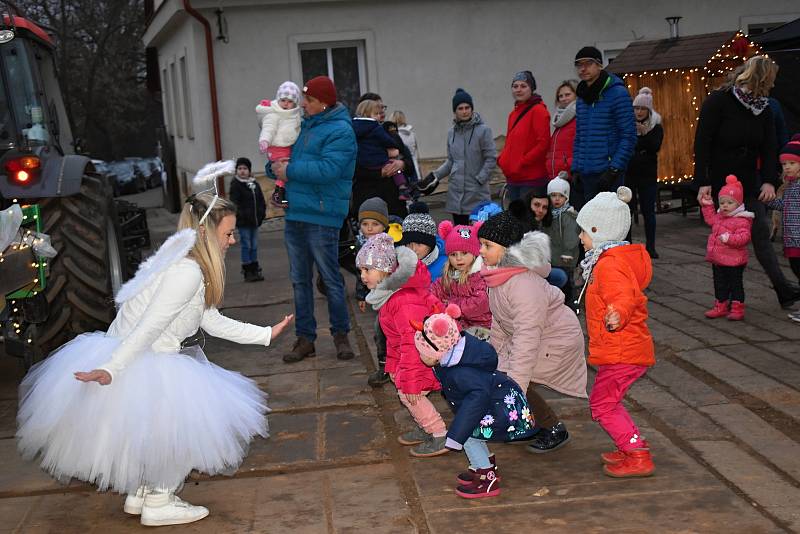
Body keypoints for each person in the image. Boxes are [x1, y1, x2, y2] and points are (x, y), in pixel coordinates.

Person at [16, 190, 294, 527]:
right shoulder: (186, 272)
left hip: (134, 355)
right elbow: (149, 328)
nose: (233, 241)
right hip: (143, 360)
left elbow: (209, 319)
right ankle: (161, 500)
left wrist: (265, 334)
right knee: (186, 426)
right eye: (228, 233)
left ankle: (143, 491)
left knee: (156, 430)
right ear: (205, 233)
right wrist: (111, 369)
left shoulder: (181, 264)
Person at [694, 55, 800, 310]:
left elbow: (769, 144)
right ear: (758, 78)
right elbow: (702, 142)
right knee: (725, 239)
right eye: (768, 81)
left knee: (760, 233)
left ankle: (783, 290)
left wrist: (768, 181)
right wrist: (703, 181)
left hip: (750, 181)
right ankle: (726, 297)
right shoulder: (719, 101)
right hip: (722, 182)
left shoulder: (764, 107)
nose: (772, 86)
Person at [477, 212, 588, 453]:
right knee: (504, 376)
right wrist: (493, 359)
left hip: (556, 340)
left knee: (517, 380)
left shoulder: (522, 284)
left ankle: (553, 428)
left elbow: (528, 335)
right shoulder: (497, 276)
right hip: (535, 337)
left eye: (487, 246)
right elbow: (499, 321)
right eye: (481, 245)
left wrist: (514, 381)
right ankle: (530, 424)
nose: (481, 251)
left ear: (507, 250)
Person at [270, 76, 357, 363]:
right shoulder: (302, 125)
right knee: (299, 281)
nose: (303, 103)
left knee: (331, 280)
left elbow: (329, 169)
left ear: (323, 102)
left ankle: (341, 335)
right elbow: (281, 156)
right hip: (296, 214)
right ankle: (305, 339)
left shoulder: (341, 131)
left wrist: (290, 170)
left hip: (322, 216)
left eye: (309, 100)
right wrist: (275, 166)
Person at [414, 304, 537, 499]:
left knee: (468, 434)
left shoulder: (461, 372)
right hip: (496, 402)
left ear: (438, 352)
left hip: (503, 408)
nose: (420, 355)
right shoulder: (454, 356)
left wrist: (456, 434)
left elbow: (476, 401)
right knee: (472, 432)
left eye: (423, 351)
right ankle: (483, 465)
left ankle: (487, 478)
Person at [574, 186, 656, 477]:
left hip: (623, 349)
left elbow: (624, 296)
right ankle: (628, 445)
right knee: (608, 401)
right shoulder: (611, 260)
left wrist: (617, 314)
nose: (581, 237)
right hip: (624, 348)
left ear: (599, 230)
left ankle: (637, 454)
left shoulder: (610, 266)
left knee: (603, 404)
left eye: (584, 231)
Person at [357, 233, 448, 457]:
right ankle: (426, 427)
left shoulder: (403, 301)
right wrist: (392, 367)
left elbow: (412, 342)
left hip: (427, 360)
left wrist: (411, 379)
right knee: (406, 394)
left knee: (411, 395)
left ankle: (439, 435)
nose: (362, 276)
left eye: (367, 270)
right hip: (414, 359)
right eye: (361, 270)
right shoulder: (391, 296)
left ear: (387, 271)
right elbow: (396, 340)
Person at [571, 46, 637, 209]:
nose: (583, 68)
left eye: (588, 63)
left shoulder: (617, 93)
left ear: (599, 65)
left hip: (609, 172)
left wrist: (614, 169)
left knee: (614, 227)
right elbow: (580, 136)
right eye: (579, 65)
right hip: (587, 172)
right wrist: (576, 168)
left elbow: (628, 136)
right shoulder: (581, 98)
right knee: (592, 228)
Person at [426, 88, 497, 225]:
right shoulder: (451, 133)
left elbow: (491, 158)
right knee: (460, 237)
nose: (464, 111)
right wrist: (435, 176)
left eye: (467, 107)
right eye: (460, 108)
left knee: (479, 238)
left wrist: (480, 179)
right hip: (456, 196)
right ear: (455, 111)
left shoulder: (483, 131)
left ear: (472, 109)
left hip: (477, 194)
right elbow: (451, 161)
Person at [699, 175, 754, 321]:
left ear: (738, 204)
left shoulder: (742, 220)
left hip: (734, 261)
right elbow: (710, 219)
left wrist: (729, 238)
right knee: (719, 284)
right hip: (718, 259)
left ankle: (737, 308)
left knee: (735, 285)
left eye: (729, 202)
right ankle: (720, 305)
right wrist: (707, 205)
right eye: (722, 202)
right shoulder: (719, 217)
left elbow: (744, 238)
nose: (724, 205)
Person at [431, 221, 492, 339]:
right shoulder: (450, 275)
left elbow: (481, 302)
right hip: (460, 326)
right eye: (453, 254)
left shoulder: (481, 274)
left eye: (464, 253)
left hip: (483, 327)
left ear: (475, 253)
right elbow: (435, 290)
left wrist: (450, 305)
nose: (458, 258)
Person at [496, 71, 551, 202]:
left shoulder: (538, 111)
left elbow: (543, 144)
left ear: (531, 88)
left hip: (531, 179)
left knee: (528, 220)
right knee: (516, 220)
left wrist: (523, 162)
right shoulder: (513, 114)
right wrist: (503, 160)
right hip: (514, 177)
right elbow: (510, 142)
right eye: (515, 86)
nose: (518, 90)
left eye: (523, 86)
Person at [626, 87, 664, 259]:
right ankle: (627, 245)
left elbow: (654, 146)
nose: (639, 112)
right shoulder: (627, 125)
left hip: (647, 174)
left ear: (648, 110)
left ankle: (651, 246)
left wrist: (643, 136)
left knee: (649, 211)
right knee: (626, 210)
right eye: (636, 108)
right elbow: (626, 145)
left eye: (642, 109)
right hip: (629, 173)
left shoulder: (656, 126)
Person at [352, 99, 411, 201]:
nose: (381, 113)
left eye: (383, 108)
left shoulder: (352, 129)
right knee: (395, 168)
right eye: (377, 112)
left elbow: (408, 160)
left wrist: (403, 163)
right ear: (368, 114)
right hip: (374, 190)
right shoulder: (377, 128)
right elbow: (394, 145)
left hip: (368, 195)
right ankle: (402, 188)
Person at [255, 81, 302, 208]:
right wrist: (264, 141)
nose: (286, 104)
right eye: (283, 100)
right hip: (277, 148)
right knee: (285, 168)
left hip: (285, 147)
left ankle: (280, 195)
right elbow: (268, 128)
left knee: (285, 170)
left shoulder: (294, 115)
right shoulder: (273, 114)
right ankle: (278, 195)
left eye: (290, 101)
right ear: (278, 99)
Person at [770, 136, 800, 322]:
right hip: (792, 238)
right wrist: (769, 201)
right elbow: (786, 205)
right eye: (784, 164)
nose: (787, 167)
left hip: (798, 237)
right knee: (796, 269)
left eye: (792, 163)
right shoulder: (790, 186)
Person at [544, 173, 581, 308]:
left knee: (568, 282)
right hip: (552, 255)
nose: (557, 199)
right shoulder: (548, 214)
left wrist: (568, 252)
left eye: (561, 196)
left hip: (566, 256)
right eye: (553, 195)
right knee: (555, 282)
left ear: (566, 197)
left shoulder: (568, 215)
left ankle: (571, 304)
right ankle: (556, 303)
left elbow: (572, 236)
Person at [228, 157, 266, 282]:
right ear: (236, 171)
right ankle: (248, 270)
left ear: (249, 170)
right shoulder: (236, 185)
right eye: (239, 168)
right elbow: (234, 204)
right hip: (244, 222)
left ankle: (255, 268)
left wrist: (261, 214)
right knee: (246, 245)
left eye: (245, 168)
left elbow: (261, 201)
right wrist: (241, 216)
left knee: (254, 245)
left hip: (254, 221)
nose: (242, 171)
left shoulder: (254, 184)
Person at [398, 202, 447, 283]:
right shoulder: (400, 264)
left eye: (419, 244)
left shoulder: (446, 266)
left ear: (430, 244)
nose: (413, 249)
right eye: (409, 244)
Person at [546, 80, 578, 179]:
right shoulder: (559, 121)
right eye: (561, 96)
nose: (564, 99)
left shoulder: (579, 118)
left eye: (567, 94)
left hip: (569, 175)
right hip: (556, 175)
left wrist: (569, 168)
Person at [391, 110, 422, 181]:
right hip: (414, 167)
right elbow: (415, 152)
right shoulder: (412, 133)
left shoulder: (395, 135)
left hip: (401, 169)